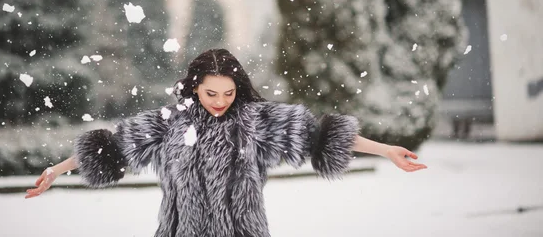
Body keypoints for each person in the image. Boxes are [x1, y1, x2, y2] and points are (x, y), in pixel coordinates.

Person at [25, 48, 426, 236]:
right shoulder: (168, 123)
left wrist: (387, 150)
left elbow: (321, 136)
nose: (220, 102)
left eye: (228, 93)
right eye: (211, 93)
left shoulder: (257, 121)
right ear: (194, 87)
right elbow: (109, 148)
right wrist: (55, 172)